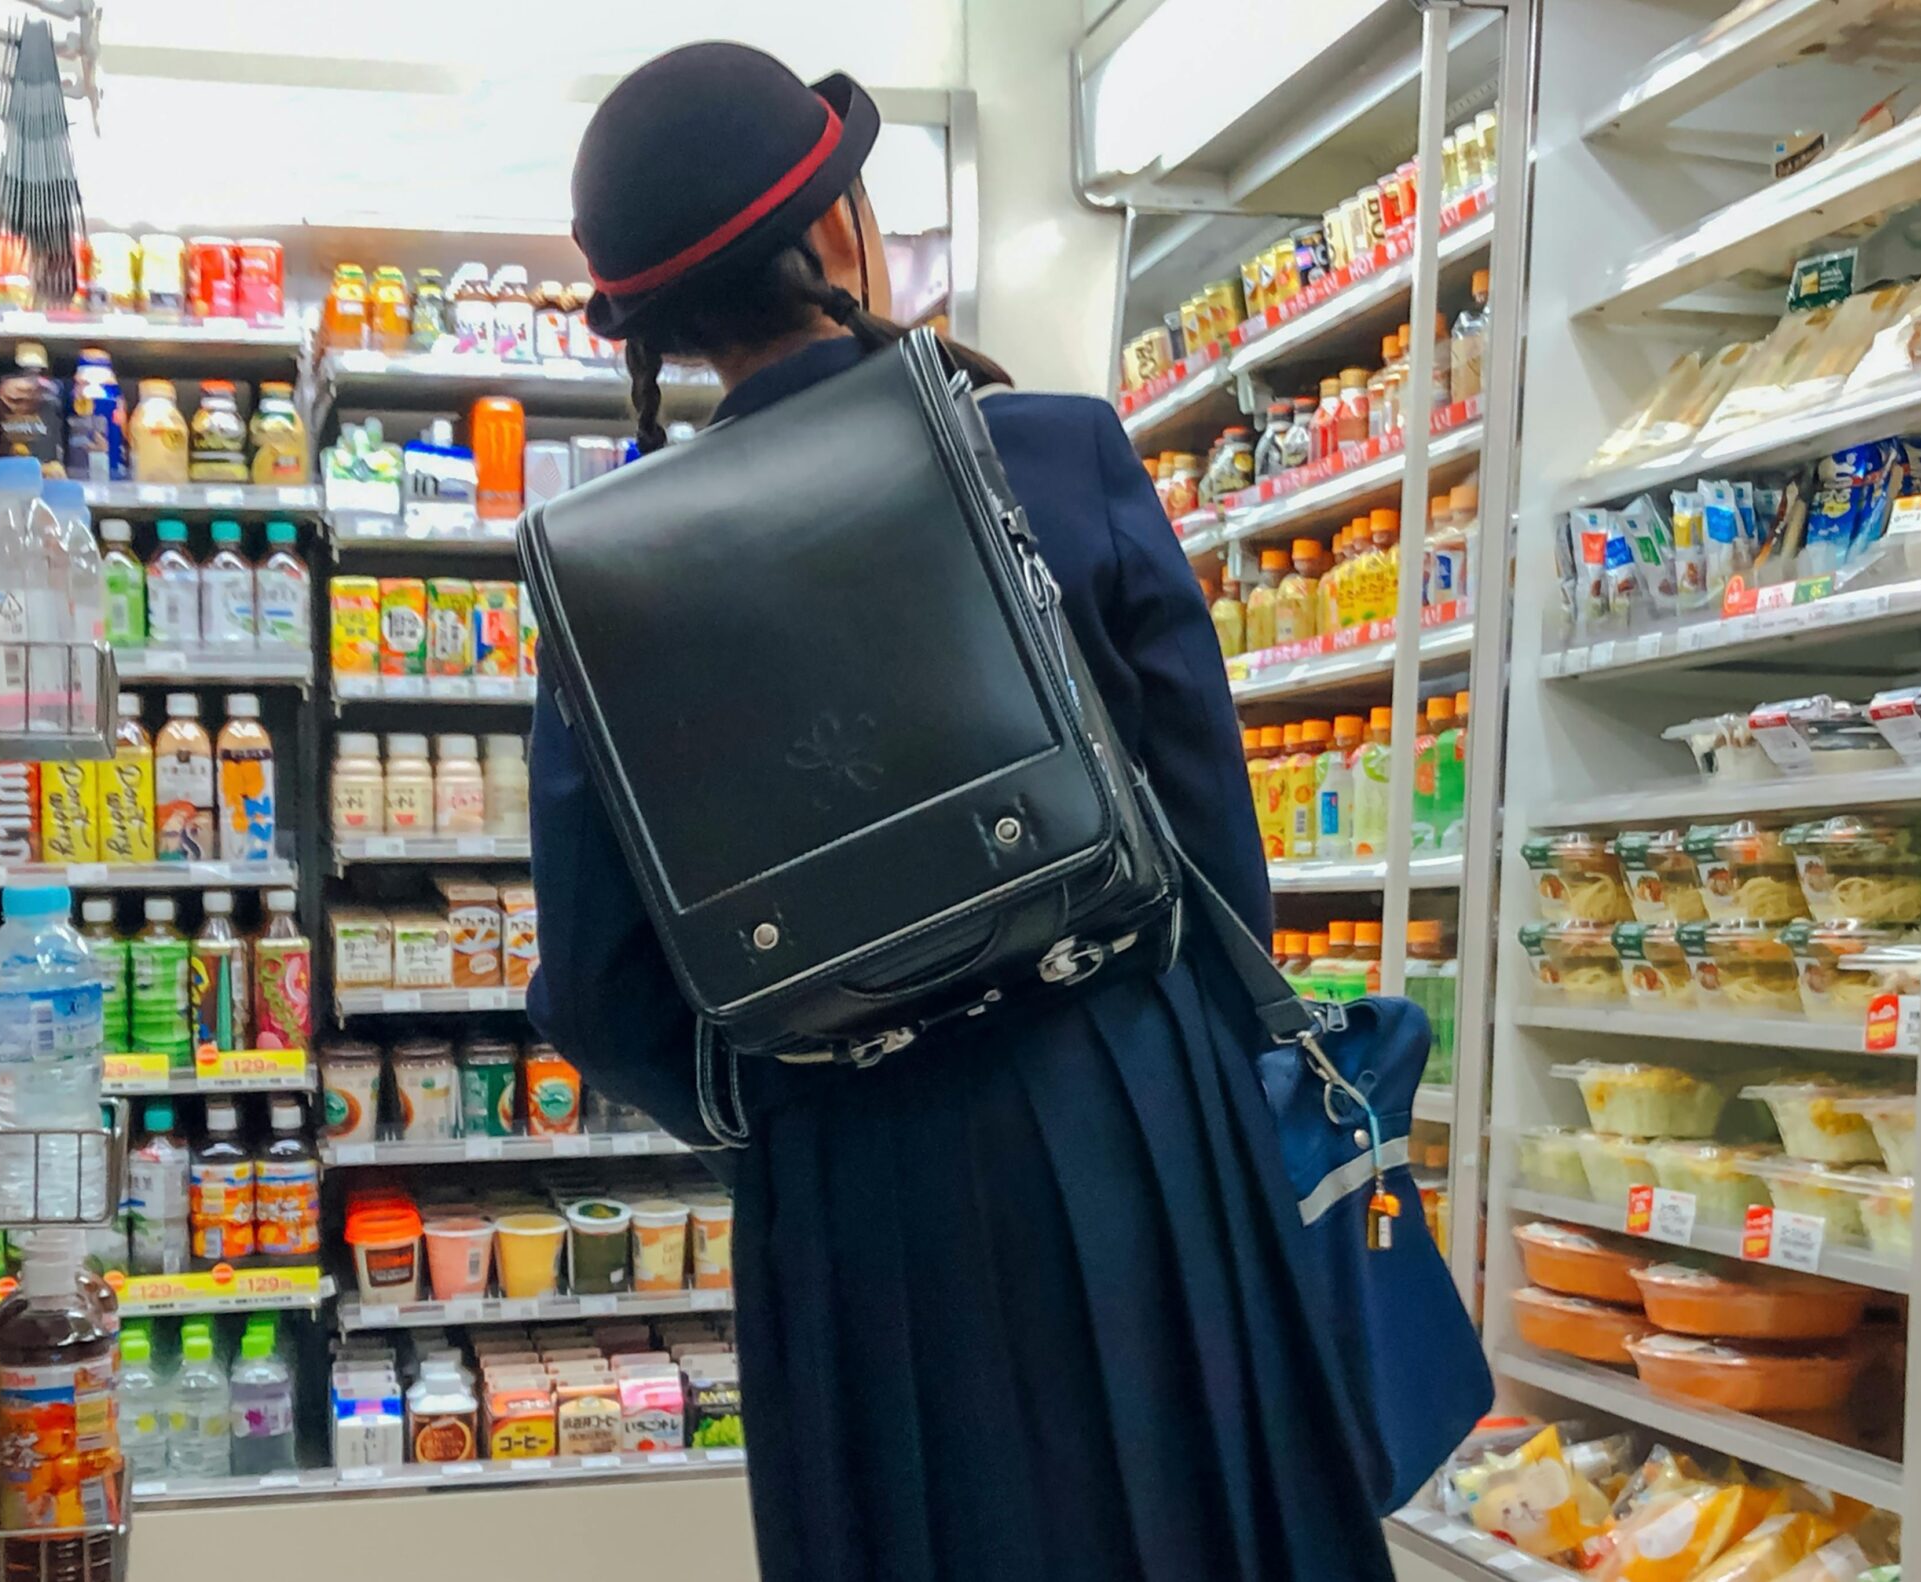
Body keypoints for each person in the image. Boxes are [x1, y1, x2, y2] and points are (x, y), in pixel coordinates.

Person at [534, 42, 1400, 1582]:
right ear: (847, 236)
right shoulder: (1056, 453)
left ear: (649, 326)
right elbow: (1214, 850)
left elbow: (599, 990)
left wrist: (798, 1096)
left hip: (846, 1186)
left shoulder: (602, 591)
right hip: (1127, 1109)